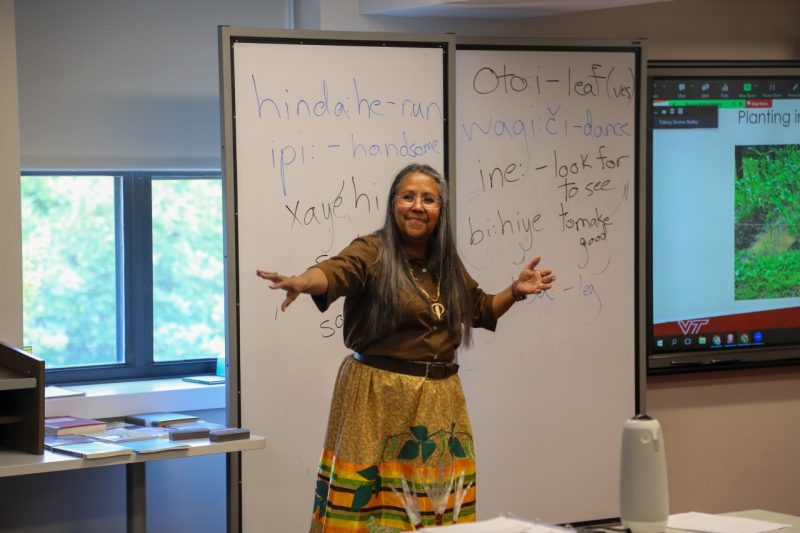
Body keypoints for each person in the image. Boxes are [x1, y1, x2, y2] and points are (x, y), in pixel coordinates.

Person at [257, 163, 554, 533]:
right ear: (393, 203)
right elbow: (336, 272)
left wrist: (516, 291)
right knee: (370, 507)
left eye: (428, 199)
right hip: (378, 397)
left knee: (434, 504)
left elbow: (479, 309)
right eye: (408, 196)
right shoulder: (372, 250)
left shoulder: (444, 261)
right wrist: (302, 281)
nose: (417, 206)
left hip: (440, 401)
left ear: (439, 211)